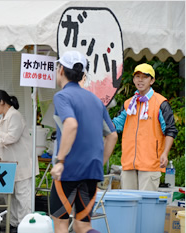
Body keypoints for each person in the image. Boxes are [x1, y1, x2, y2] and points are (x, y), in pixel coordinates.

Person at [49, 51, 118, 233]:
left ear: (61, 69)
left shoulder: (62, 97)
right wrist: (99, 162)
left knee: (61, 222)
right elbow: (112, 135)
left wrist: (60, 161)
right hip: (92, 170)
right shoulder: (96, 100)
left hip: (68, 169)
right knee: (83, 225)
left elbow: (71, 124)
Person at [112, 63, 178, 191]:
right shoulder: (128, 104)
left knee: (146, 207)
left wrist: (165, 153)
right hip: (129, 164)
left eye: (145, 77)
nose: (140, 80)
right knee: (128, 205)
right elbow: (116, 125)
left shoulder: (161, 103)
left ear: (152, 80)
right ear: (133, 80)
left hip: (150, 165)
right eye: (137, 76)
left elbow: (170, 130)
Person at [0, 90, 39, 233]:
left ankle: (25, 225)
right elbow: (3, 143)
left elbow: (11, 138)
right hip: (9, 164)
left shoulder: (15, 116)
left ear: (2, 102)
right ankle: (14, 223)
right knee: (12, 195)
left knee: (23, 196)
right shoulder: (3, 118)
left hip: (21, 163)